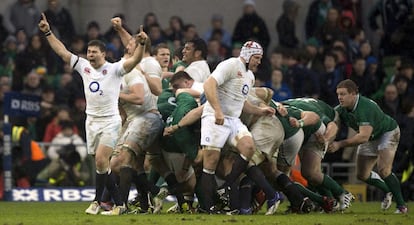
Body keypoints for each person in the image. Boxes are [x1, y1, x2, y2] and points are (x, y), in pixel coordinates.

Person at [38, 13, 147, 215]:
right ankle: (120, 204)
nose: (90, 54)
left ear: (103, 54)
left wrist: (141, 45)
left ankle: (96, 202)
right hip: (91, 122)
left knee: (100, 160)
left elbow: (134, 61)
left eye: (94, 52)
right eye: (88, 51)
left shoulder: (114, 70)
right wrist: (48, 32)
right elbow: (62, 51)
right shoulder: (83, 66)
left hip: (111, 121)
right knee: (101, 165)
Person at [107, 17, 187, 214]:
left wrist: (142, 72)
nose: (128, 45)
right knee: (151, 164)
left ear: (141, 46)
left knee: (124, 161)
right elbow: (131, 43)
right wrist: (119, 29)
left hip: (147, 116)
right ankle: (163, 201)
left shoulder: (148, 63)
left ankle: (124, 205)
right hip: (140, 117)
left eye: (132, 43)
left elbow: (158, 89)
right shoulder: (135, 61)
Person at [199, 40, 280, 213]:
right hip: (214, 116)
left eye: (260, 58)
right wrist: (218, 111)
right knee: (210, 162)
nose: (259, 61)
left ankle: (227, 186)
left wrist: (261, 111)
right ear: (248, 55)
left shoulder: (250, 76)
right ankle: (209, 208)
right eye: (256, 57)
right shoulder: (230, 64)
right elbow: (208, 85)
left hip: (233, 120)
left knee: (249, 147)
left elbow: (241, 103)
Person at [329, 79, 408, 214]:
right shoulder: (341, 109)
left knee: (384, 170)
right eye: (338, 94)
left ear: (354, 94)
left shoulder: (365, 107)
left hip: (387, 132)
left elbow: (363, 137)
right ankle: (387, 189)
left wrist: (339, 144)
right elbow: (332, 122)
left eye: (343, 94)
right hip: (371, 136)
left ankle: (401, 206)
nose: (339, 98)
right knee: (362, 175)